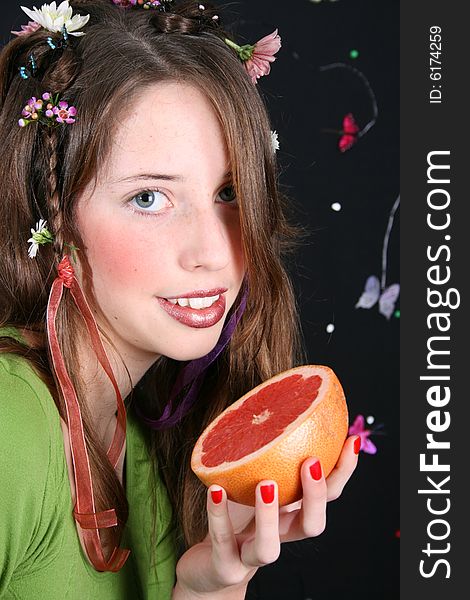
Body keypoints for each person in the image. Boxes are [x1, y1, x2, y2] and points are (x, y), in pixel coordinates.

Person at [0, 1, 360, 598]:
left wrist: (212, 587)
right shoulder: (12, 423)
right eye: (149, 198)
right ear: (55, 215)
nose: (214, 252)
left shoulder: (142, 439)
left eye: (228, 192)